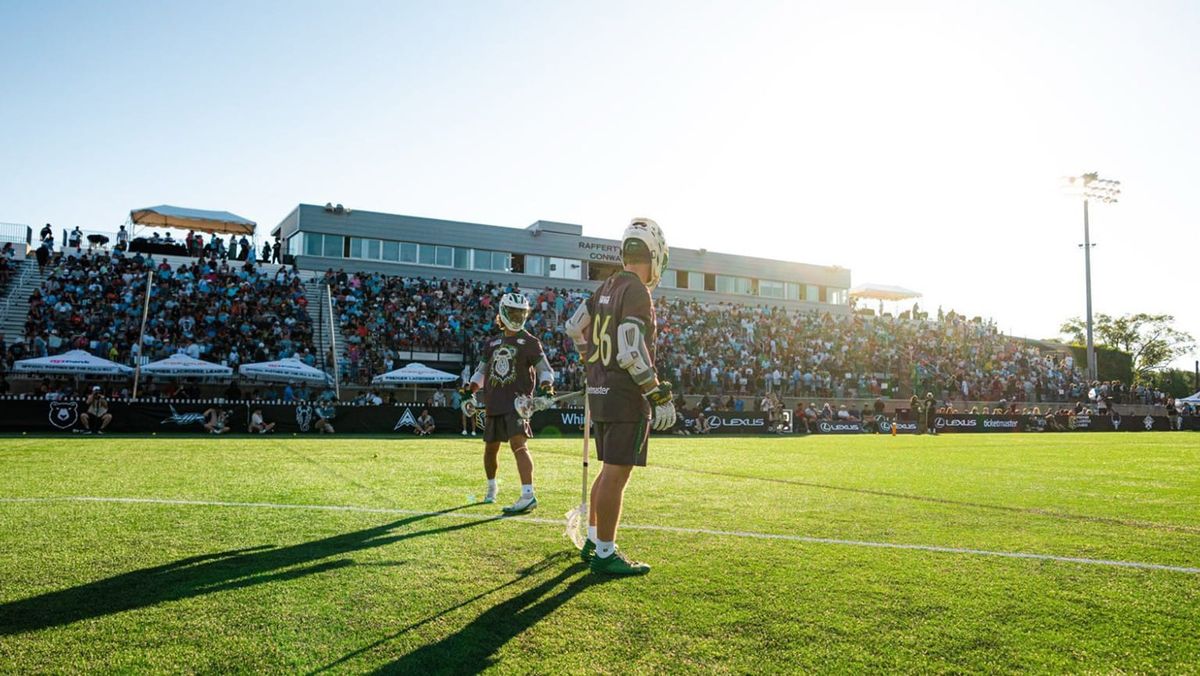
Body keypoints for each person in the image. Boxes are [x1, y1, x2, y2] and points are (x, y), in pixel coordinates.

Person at [565, 217, 673, 576]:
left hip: (600, 390)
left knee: (607, 471)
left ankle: (594, 541)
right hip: (624, 394)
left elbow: (574, 326)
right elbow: (630, 348)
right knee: (616, 474)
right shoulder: (637, 291)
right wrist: (655, 393)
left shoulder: (605, 286)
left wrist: (590, 358)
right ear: (654, 255)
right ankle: (606, 553)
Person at [466, 292, 554, 513]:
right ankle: (491, 488)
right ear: (503, 313)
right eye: (513, 312)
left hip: (517, 404)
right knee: (490, 449)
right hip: (494, 402)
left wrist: (546, 387)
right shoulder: (491, 343)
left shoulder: (530, 342)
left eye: (520, 313)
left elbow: (545, 370)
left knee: (519, 445)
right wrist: (470, 390)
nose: (517, 316)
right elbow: (481, 372)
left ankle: (528, 494)